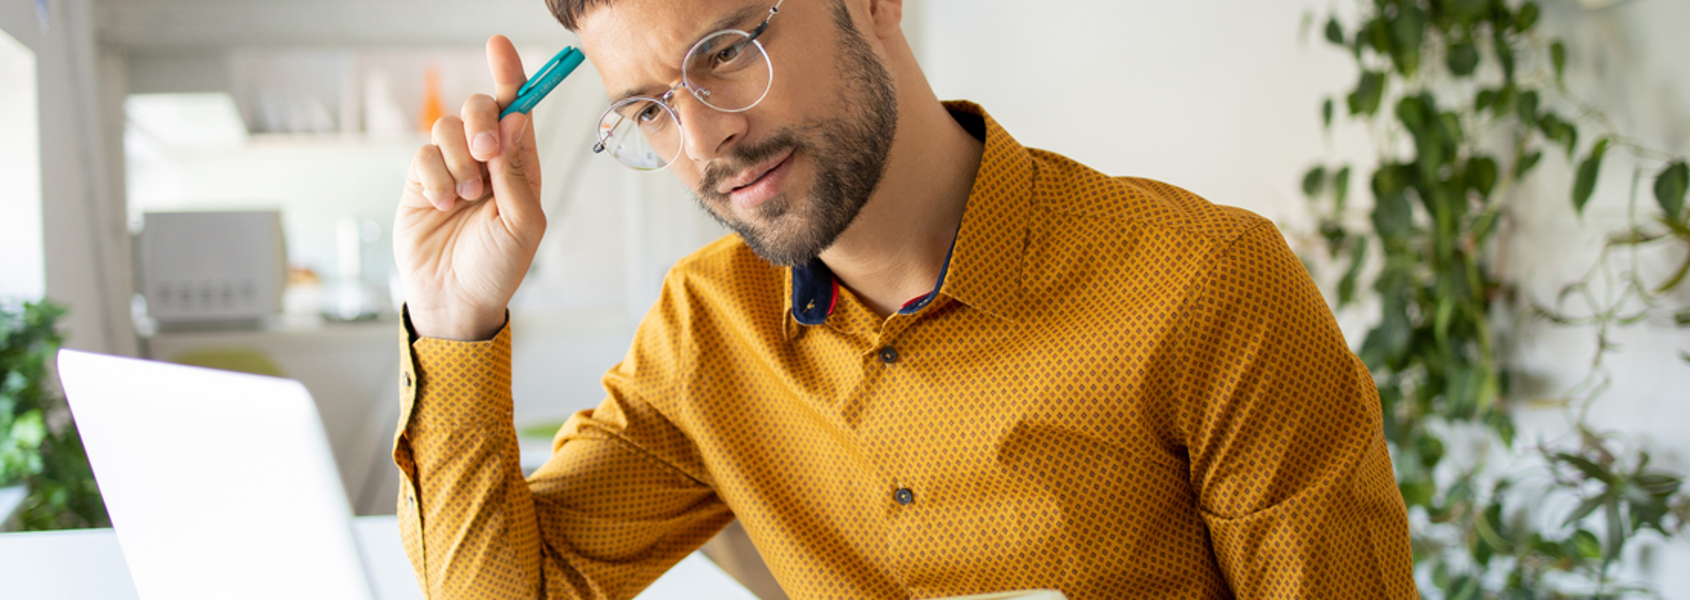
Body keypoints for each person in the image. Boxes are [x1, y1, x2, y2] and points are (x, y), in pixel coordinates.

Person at [390, 0, 1416, 598]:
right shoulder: (705, 335)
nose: (703, 143)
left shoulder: (1208, 289)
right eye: (649, 111)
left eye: (725, 53)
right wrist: (452, 319)